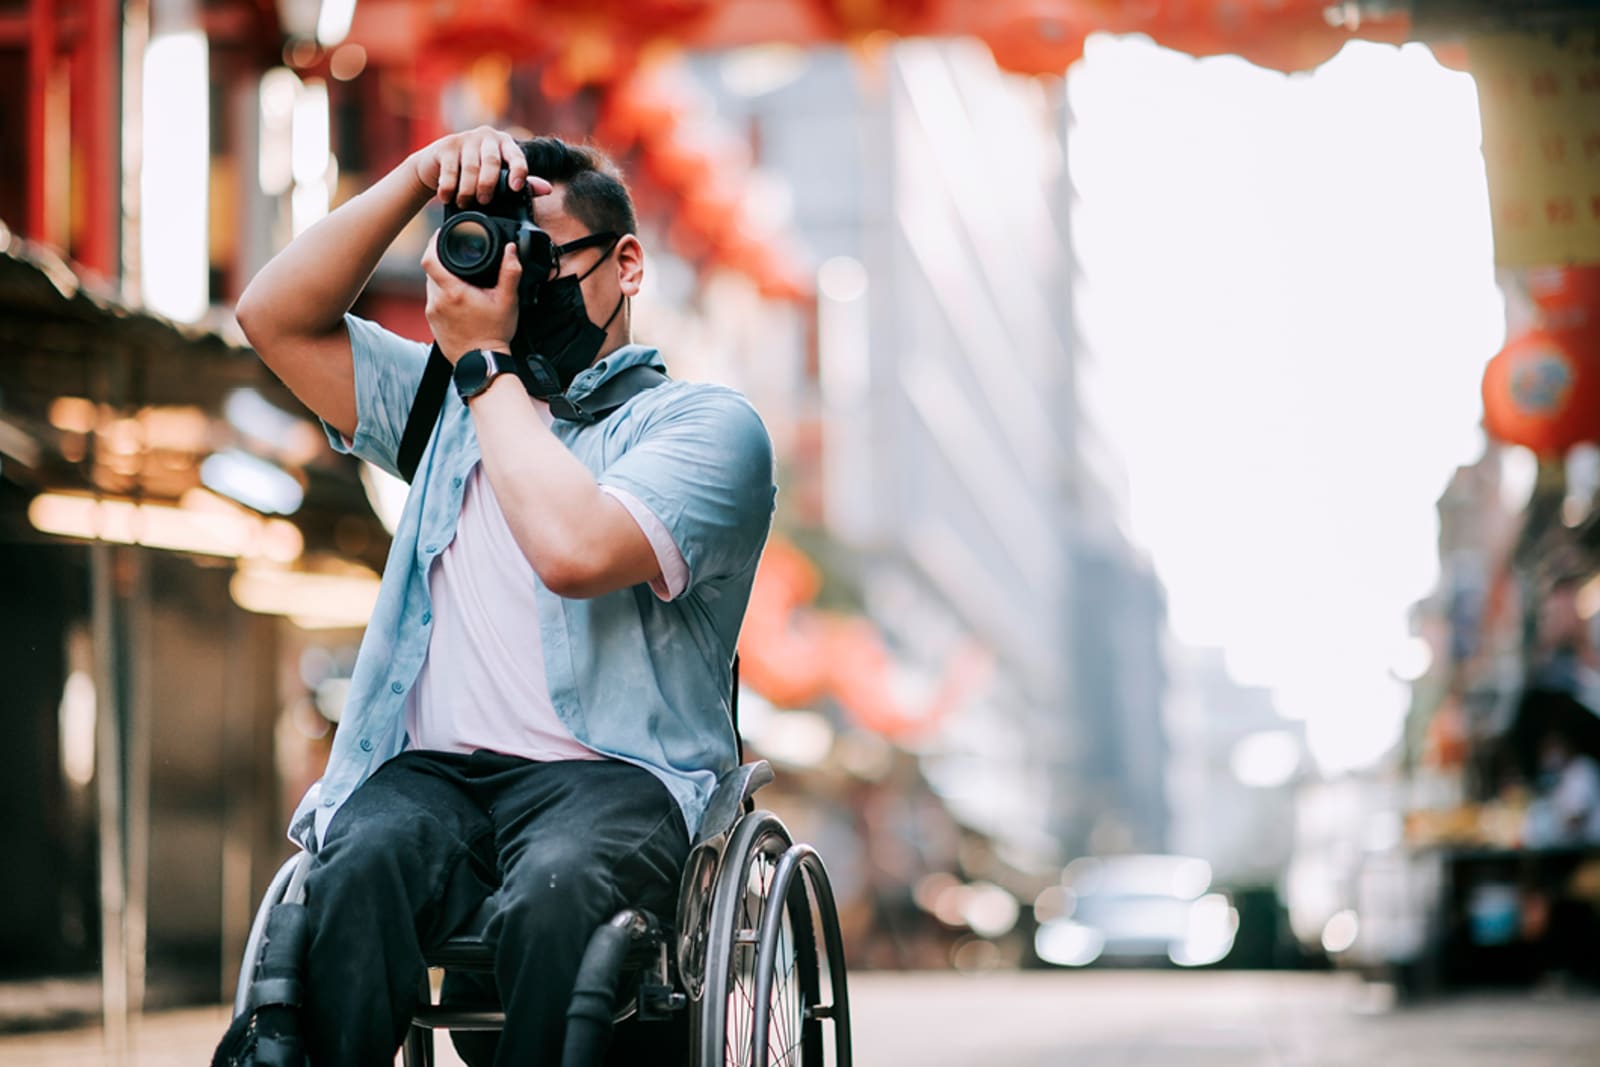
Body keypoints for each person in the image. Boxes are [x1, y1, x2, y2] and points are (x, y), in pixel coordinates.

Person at [234, 126, 776, 1065]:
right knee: (353, 869)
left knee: (558, 889)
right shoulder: (446, 411)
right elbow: (273, 317)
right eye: (500, 254)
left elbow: (574, 549)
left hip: (614, 778)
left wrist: (486, 366)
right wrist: (417, 175)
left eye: (544, 257)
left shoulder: (706, 426)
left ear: (627, 265)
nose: (518, 285)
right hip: (432, 773)